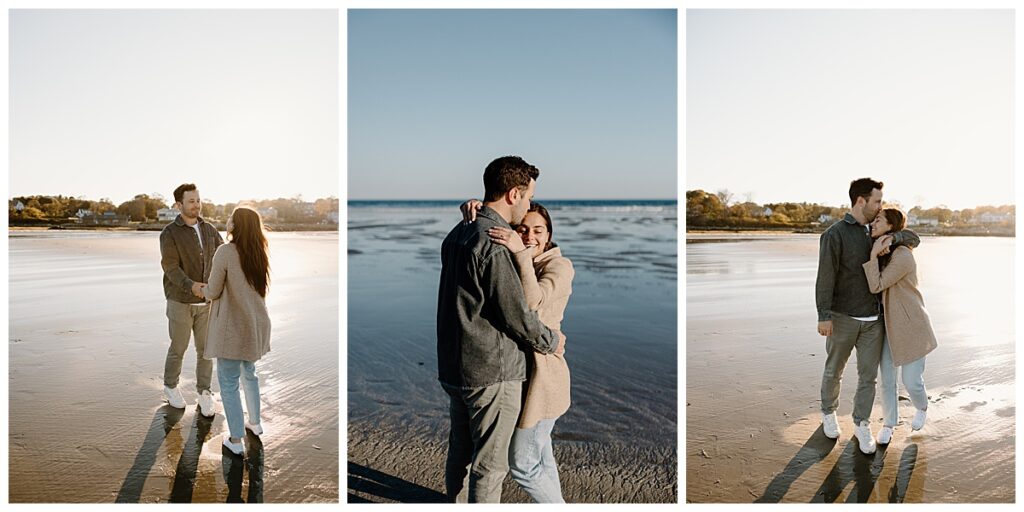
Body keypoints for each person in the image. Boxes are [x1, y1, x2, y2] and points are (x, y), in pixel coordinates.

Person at [437, 155, 559, 503]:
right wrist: (549, 341)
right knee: (489, 468)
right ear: (513, 194)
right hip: (491, 371)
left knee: (460, 454)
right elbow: (515, 315)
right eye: (527, 196)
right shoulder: (492, 242)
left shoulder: (459, 231)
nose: (528, 205)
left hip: (453, 366)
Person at [462, 201, 574, 503]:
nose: (529, 236)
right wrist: (476, 208)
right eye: (522, 229)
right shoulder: (517, 260)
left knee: (523, 464)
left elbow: (532, 303)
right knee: (540, 455)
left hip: (545, 380)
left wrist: (521, 253)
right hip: (523, 377)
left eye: (538, 230)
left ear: (549, 235)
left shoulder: (559, 267)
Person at [815, 178, 919, 455]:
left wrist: (893, 238)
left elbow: (912, 237)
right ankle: (828, 412)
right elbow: (824, 280)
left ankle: (861, 423)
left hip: (874, 321)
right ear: (861, 201)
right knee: (833, 369)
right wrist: (823, 315)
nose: (880, 206)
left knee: (867, 378)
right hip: (843, 318)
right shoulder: (834, 235)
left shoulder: (878, 230)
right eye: (876, 201)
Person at [200, 206, 272, 456]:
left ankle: (236, 439)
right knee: (249, 373)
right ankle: (255, 423)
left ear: (237, 225)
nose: (228, 220)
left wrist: (200, 290)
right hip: (256, 324)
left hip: (233, 328)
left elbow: (213, 291)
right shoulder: (259, 252)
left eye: (231, 217)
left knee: (228, 383)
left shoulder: (226, 252)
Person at [863, 208, 937, 445]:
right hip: (886, 326)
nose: (873, 223)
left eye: (878, 221)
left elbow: (878, 285)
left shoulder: (903, 255)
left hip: (911, 324)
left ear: (892, 227)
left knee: (912, 380)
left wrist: (874, 256)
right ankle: (889, 424)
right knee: (887, 378)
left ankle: (922, 407)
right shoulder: (883, 247)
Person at [159, 183, 223, 416]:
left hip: (206, 303)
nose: (196, 205)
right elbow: (170, 268)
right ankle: (170, 386)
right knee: (178, 347)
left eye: (198, 200)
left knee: (206, 350)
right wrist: (192, 285)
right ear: (179, 205)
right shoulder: (169, 233)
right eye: (191, 201)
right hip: (179, 300)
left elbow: (223, 257)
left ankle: (204, 392)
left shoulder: (210, 230)